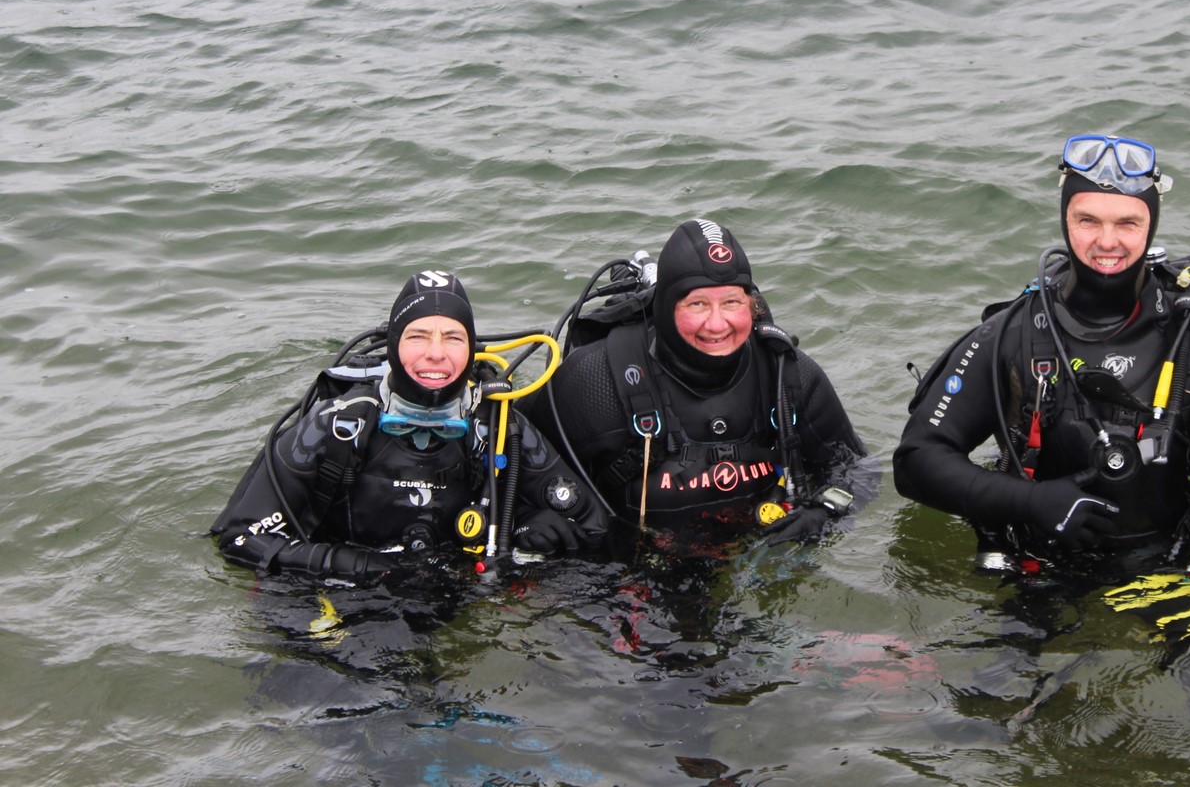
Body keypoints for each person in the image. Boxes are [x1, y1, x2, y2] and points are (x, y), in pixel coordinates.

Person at [893, 134, 1190, 578]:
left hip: (1187, 562)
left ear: (1150, 226)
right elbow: (917, 461)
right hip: (1047, 566)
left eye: (1127, 223)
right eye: (1087, 220)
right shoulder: (1014, 337)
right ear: (1065, 219)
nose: (1107, 241)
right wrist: (1032, 502)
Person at [213, 269, 609, 579]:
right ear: (394, 346)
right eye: (418, 336)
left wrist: (525, 527)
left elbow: (593, 525)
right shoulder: (338, 426)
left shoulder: (499, 427)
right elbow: (239, 538)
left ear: (471, 350)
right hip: (335, 596)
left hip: (446, 594)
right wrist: (344, 563)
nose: (436, 353)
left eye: (453, 338)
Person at [517, 218, 870, 547]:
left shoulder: (789, 376)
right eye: (697, 303)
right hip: (631, 570)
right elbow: (510, 466)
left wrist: (826, 510)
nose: (717, 325)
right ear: (666, 307)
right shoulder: (594, 381)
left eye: (731, 302)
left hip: (756, 548)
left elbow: (856, 469)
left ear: (752, 304)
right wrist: (528, 521)